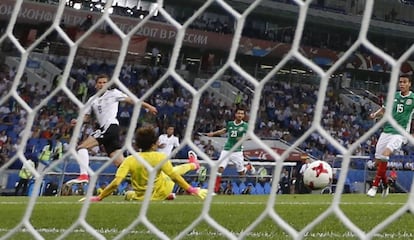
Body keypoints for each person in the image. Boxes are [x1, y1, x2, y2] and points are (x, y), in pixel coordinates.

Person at [67, 74, 158, 184]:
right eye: (100, 83)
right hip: (106, 129)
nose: (102, 85)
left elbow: (132, 100)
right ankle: (149, 180)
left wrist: (148, 107)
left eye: (104, 82)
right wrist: (78, 121)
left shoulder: (113, 93)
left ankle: (84, 176)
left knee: (82, 147)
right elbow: (86, 117)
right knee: (120, 163)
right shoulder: (92, 100)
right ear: (96, 85)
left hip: (111, 126)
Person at [80, 126, 207, 201]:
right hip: (161, 191)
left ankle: (193, 165)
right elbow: (175, 177)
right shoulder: (160, 157)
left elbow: (116, 183)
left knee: (128, 195)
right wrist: (192, 190)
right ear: (153, 144)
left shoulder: (130, 159)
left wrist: (99, 198)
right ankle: (193, 165)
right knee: (171, 173)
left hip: (142, 197)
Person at [367, 74, 414, 198]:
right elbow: (383, 109)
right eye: (400, 82)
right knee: (378, 161)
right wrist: (374, 115)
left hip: (400, 133)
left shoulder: (413, 99)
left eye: (404, 82)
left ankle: (374, 186)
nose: (402, 84)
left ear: (410, 84)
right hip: (387, 130)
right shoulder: (394, 96)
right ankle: (386, 184)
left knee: (385, 154)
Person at [206, 107, 255, 193]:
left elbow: (250, 136)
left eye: (242, 114)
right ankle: (215, 189)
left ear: (243, 116)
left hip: (237, 151)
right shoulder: (230, 124)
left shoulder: (245, 126)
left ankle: (248, 166)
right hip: (227, 149)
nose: (240, 115)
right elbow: (224, 130)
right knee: (220, 168)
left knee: (241, 174)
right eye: (238, 113)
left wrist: (243, 138)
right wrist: (213, 134)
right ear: (235, 114)